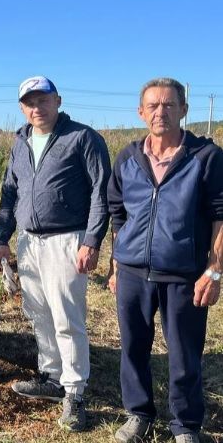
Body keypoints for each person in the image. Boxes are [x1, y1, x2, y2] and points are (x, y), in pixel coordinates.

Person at [107, 78, 223, 443]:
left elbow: (220, 215)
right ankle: (139, 415)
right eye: (153, 106)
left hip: (184, 275)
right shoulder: (128, 157)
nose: (161, 112)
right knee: (133, 347)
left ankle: (186, 426)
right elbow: (117, 212)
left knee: (185, 353)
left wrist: (215, 270)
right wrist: (115, 264)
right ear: (141, 113)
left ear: (183, 110)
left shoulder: (206, 157)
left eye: (169, 105)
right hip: (131, 272)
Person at [0, 76, 111, 432]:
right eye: (29, 102)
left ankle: (75, 393)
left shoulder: (82, 138)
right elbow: (9, 192)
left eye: (43, 100)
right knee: (38, 311)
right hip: (29, 242)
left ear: (57, 100)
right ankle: (52, 377)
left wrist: (91, 241)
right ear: (21, 107)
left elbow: (100, 193)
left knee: (66, 316)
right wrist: (2, 238)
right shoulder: (20, 142)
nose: (36, 107)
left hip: (67, 240)